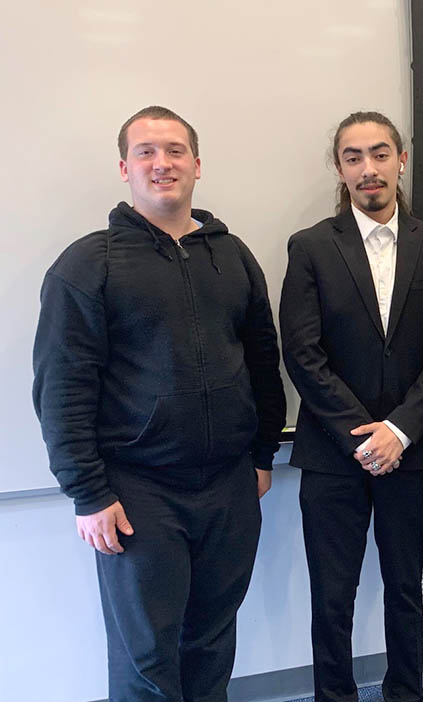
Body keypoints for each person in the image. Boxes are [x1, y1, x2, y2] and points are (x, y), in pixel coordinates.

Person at [32, 105, 287, 701]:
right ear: (125, 167)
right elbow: (61, 386)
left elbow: (261, 360)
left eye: (174, 150)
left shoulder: (234, 255)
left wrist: (262, 453)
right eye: (146, 151)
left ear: (197, 164)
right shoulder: (87, 264)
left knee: (211, 644)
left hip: (228, 485)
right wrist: (88, 491)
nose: (162, 163)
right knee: (146, 660)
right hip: (136, 492)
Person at [279, 111, 423, 702]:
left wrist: (400, 430)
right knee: (332, 594)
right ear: (340, 169)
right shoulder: (310, 247)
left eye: (380, 154)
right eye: (354, 157)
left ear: (400, 160)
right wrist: (364, 434)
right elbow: (302, 352)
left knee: (405, 587)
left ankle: (406, 692)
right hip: (334, 455)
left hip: (411, 452)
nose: (368, 168)